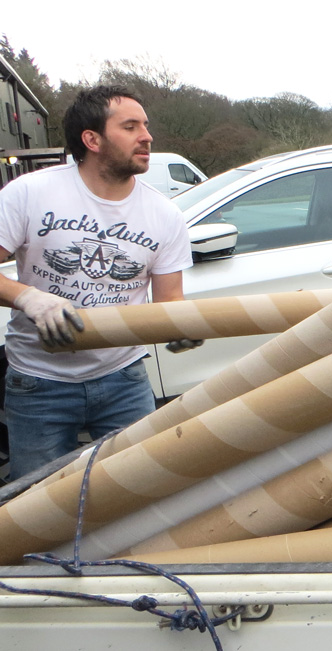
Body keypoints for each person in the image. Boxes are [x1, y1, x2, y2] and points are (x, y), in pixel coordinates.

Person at [0, 85, 199, 480]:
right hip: (39, 381)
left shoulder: (164, 214)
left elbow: (170, 299)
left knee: (136, 487)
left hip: (123, 378)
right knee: (37, 503)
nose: (147, 136)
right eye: (130, 126)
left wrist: (181, 326)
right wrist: (30, 299)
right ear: (92, 139)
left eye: (145, 125)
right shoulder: (30, 193)